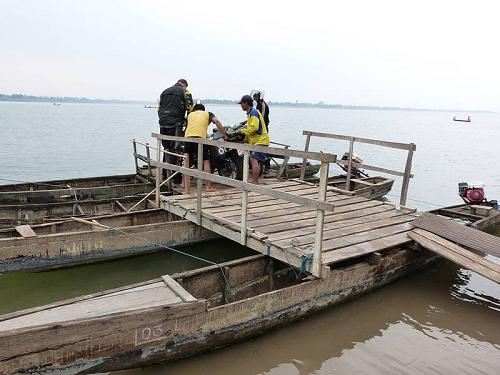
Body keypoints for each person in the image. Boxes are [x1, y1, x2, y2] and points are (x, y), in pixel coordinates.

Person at [185, 103, 227, 192]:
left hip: (187, 138)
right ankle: (208, 186)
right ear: (203, 110)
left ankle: (183, 182)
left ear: (195, 110)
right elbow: (217, 121)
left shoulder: (190, 114)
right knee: (206, 161)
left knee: (188, 160)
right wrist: (224, 134)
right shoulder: (208, 114)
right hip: (199, 138)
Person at [158, 79, 193, 182]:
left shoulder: (164, 92)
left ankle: (165, 174)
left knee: (167, 148)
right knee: (176, 149)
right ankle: (175, 176)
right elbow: (189, 108)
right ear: (185, 85)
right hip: (176, 123)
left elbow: (159, 108)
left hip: (163, 123)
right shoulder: (185, 92)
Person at [237, 95, 270, 184]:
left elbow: (253, 128)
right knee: (255, 160)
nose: (241, 105)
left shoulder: (254, 113)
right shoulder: (250, 113)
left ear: (246, 103)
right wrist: (246, 140)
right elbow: (250, 129)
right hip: (257, 141)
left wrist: (241, 131)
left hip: (261, 140)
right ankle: (255, 181)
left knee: (253, 159)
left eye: (242, 103)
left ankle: (255, 182)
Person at [251, 89, 271, 173]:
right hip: (259, 128)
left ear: (259, 96)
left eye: (255, 96)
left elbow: (260, 118)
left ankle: (267, 166)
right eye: (253, 96)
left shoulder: (263, 105)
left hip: (263, 128)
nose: (254, 97)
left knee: (263, 147)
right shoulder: (258, 104)